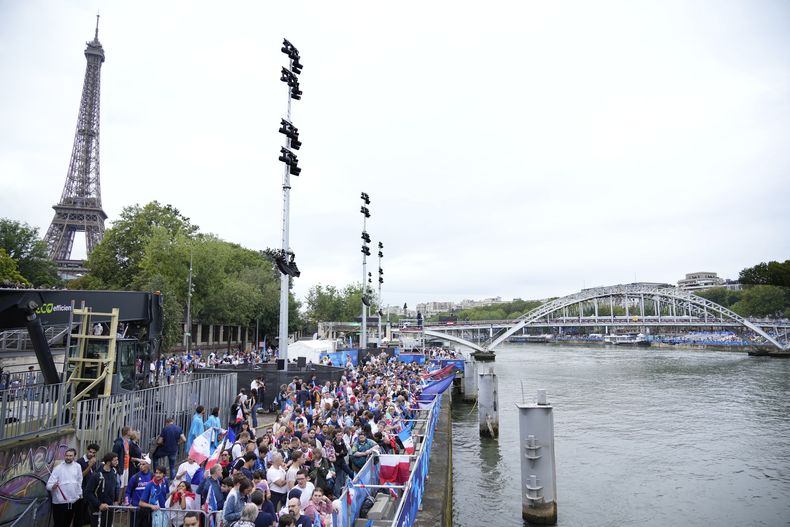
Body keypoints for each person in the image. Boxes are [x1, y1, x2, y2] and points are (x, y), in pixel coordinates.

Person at [46, 448, 82, 527]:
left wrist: (79, 494)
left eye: (70, 456)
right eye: (66, 455)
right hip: (60, 502)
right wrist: (53, 486)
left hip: (73, 501)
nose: (68, 457)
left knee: (67, 523)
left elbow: (79, 481)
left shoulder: (78, 466)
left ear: (74, 457)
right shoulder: (58, 468)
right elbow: (48, 485)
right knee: (59, 524)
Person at [84, 453, 119, 527]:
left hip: (109, 507)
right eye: (115, 460)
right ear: (109, 462)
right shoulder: (97, 475)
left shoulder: (114, 472)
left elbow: (115, 486)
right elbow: (88, 492)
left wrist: (116, 500)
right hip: (98, 509)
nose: (117, 462)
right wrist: (99, 504)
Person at [75, 443, 99, 527]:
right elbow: (80, 476)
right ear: (87, 451)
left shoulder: (93, 460)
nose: (91, 454)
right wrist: (89, 466)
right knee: (79, 512)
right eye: (90, 452)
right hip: (81, 490)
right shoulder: (80, 462)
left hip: (89, 490)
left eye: (94, 452)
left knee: (87, 511)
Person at [125, 456, 153, 527]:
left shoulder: (153, 477)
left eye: (143, 464)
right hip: (136, 509)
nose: (141, 466)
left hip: (148, 510)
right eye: (140, 464)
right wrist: (128, 504)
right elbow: (127, 492)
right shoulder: (134, 477)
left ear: (148, 465)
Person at [112, 426, 134, 492]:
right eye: (131, 430)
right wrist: (117, 467)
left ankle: (122, 499)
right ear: (127, 432)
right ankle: (118, 500)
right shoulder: (119, 443)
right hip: (121, 466)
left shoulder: (128, 442)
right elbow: (114, 455)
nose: (132, 432)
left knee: (125, 484)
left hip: (126, 466)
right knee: (120, 485)